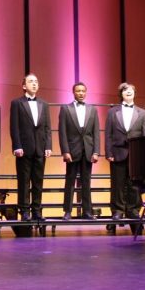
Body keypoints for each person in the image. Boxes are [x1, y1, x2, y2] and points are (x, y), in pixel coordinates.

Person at [105, 82, 145, 220]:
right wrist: (108, 152)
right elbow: (108, 134)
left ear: (135, 93)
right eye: (125, 90)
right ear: (121, 94)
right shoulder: (113, 111)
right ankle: (117, 210)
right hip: (117, 152)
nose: (128, 92)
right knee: (117, 183)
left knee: (134, 184)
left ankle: (134, 209)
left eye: (131, 90)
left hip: (135, 153)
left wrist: (144, 154)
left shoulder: (142, 113)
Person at [10, 73, 52, 221]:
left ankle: (37, 210)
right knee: (23, 181)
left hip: (40, 148)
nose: (34, 84)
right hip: (24, 149)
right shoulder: (16, 103)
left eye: (36, 81)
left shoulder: (44, 104)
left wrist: (48, 146)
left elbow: (47, 127)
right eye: (31, 81)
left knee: (38, 181)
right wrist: (17, 146)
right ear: (24, 86)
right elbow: (14, 126)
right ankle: (24, 210)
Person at [58, 82, 100, 220]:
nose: (81, 93)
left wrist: (96, 151)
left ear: (86, 92)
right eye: (78, 91)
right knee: (70, 181)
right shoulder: (65, 109)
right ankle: (67, 211)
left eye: (83, 91)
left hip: (87, 150)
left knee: (86, 182)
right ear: (73, 92)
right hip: (72, 150)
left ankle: (87, 211)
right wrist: (65, 151)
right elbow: (62, 131)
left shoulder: (92, 109)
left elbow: (96, 133)